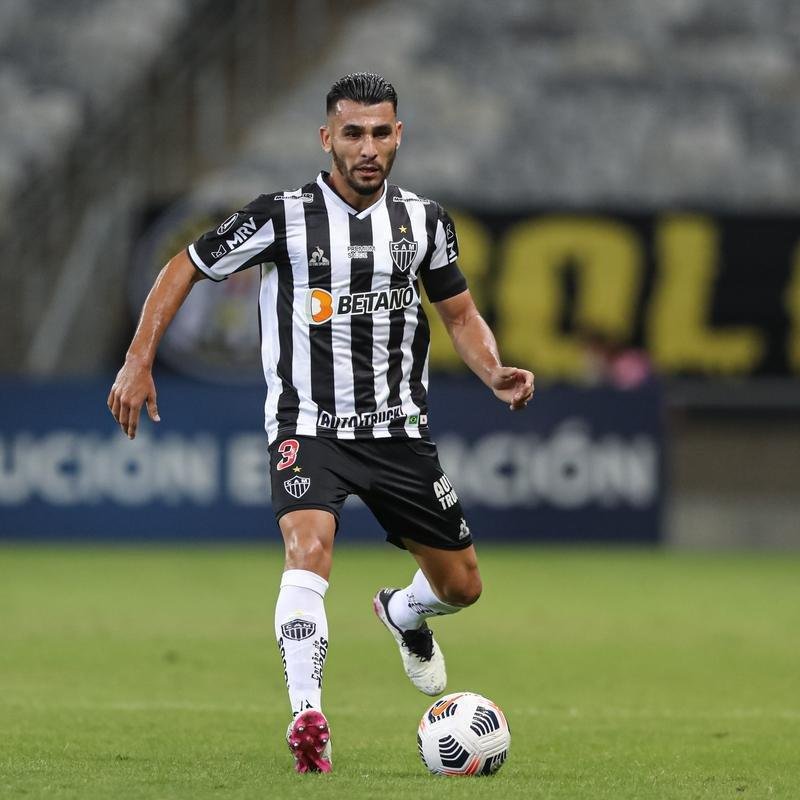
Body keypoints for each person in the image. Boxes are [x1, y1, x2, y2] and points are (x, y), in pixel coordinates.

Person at [108, 72, 534, 774]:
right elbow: (185, 264)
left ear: (399, 136)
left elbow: (458, 312)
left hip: (398, 432)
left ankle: (403, 613)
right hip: (310, 425)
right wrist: (137, 359)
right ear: (327, 137)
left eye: (380, 133)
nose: (367, 147)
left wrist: (493, 371)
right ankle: (308, 715)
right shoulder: (281, 216)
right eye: (353, 133)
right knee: (308, 549)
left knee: (462, 586)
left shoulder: (425, 222)